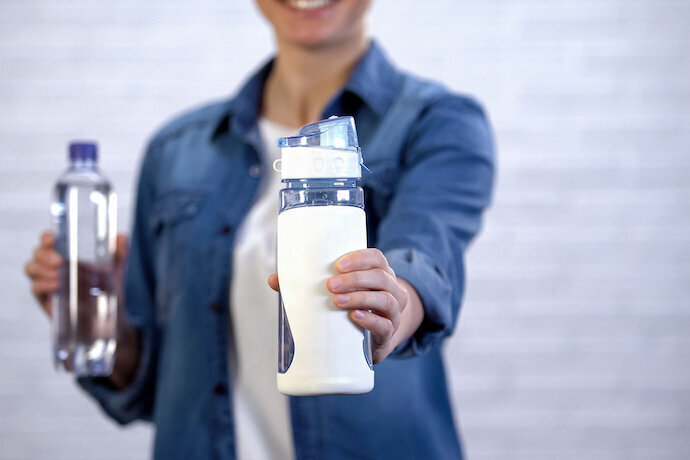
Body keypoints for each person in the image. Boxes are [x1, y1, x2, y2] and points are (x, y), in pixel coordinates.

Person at [24, 0, 495, 459]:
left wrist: (393, 309)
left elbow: (425, 261)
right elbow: (151, 391)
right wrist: (99, 312)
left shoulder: (437, 124)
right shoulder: (177, 151)